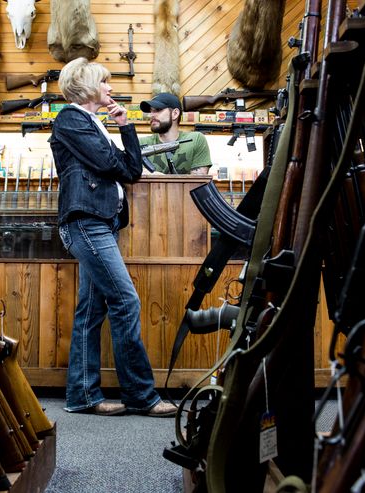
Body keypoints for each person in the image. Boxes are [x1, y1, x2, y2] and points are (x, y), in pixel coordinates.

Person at [49, 57, 177, 417]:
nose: (110, 88)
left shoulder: (94, 124)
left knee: (91, 311)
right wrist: (117, 146)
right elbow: (111, 165)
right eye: (104, 82)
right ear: (88, 85)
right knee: (126, 301)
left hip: (99, 223)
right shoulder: (71, 119)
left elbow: (131, 170)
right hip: (86, 222)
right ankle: (141, 395)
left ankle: (82, 396)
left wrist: (125, 126)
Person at [139, 92, 213, 174]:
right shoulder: (142, 144)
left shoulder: (194, 140)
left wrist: (159, 178)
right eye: (151, 111)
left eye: (158, 110)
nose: (151, 115)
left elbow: (199, 181)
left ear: (175, 114)